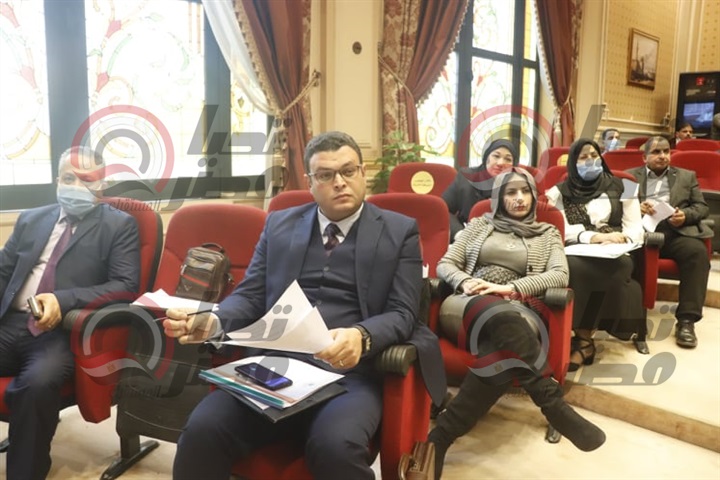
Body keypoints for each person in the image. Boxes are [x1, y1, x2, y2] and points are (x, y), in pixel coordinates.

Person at [163, 131, 446, 480]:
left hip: (349, 376)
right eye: (326, 175)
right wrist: (213, 321)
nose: (339, 182)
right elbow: (251, 296)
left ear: (363, 174)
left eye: (348, 171)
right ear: (310, 183)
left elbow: (403, 313)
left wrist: (361, 336)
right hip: (273, 368)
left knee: (335, 447)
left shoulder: (399, 231)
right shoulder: (279, 225)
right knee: (202, 431)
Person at [428, 169, 605, 479]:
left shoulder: (547, 233)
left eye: (525, 191)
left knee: (502, 354)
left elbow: (559, 275)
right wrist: (466, 282)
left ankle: (438, 440)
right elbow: (446, 263)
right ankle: (552, 404)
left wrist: (510, 289)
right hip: (466, 305)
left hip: (518, 310)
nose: (519, 198)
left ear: (534, 196)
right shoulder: (479, 224)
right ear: (499, 197)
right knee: (499, 317)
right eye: (510, 192)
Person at [0, 146, 140, 480]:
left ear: (101, 184)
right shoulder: (32, 219)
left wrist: (62, 300)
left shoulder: (119, 225)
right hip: (9, 323)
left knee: (37, 385)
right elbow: (3, 272)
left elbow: (125, 285)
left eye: (87, 179)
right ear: (57, 181)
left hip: (60, 333)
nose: (76, 186)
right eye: (68, 178)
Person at [545, 139, 646, 369]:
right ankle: (584, 339)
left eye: (594, 155)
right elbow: (560, 228)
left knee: (615, 268)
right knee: (573, 267)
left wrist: (620, 239)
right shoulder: (559, 192)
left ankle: (584, 341)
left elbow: (635, 228)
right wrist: (592, 237)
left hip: (617, 250)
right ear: (573, 163)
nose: (590, 160)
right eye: (583, 157)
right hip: (577, 249)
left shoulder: (626, 187)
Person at [628, 136, 712, 348]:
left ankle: (686, 321)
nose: (662, 156)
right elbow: (617, 207)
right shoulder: (630, 177)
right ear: (644, 157)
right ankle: (632, 318)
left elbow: (702, 207)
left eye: (666, 151)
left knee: (697, 253)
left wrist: (685, 215)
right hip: (641, 234)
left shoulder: (686, 176)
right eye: (656, 152)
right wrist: (636, 208)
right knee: (625, 257)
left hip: (676, 233)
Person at [442, 139, 518, 240]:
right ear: (486, 157)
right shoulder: (466, 177)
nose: (500, 163)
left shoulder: (519, 184)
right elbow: (442, 210)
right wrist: (460, 234)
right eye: (496, 156)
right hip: (465, 237)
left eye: (508, 159)